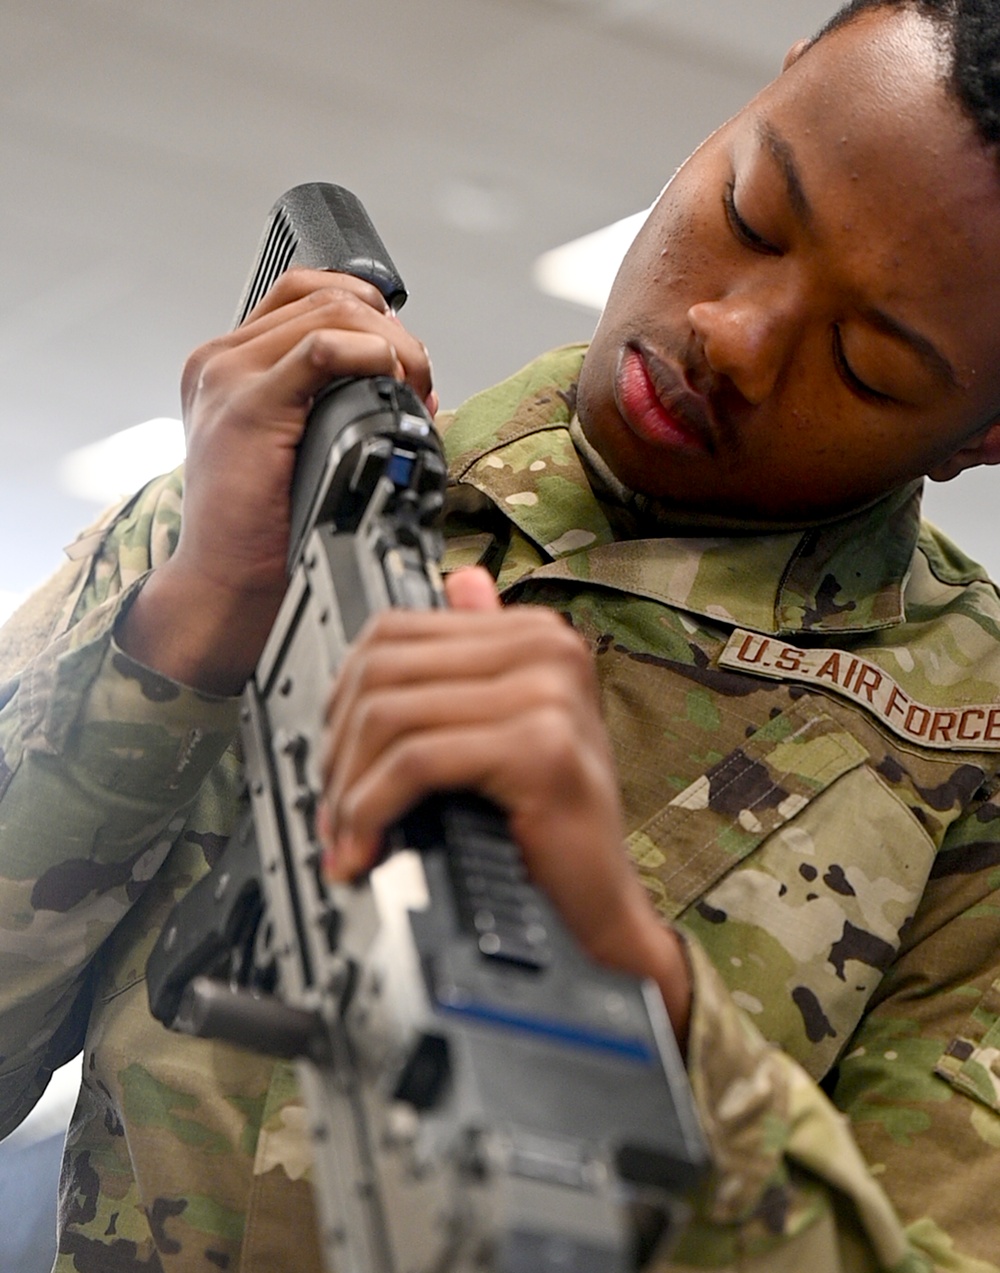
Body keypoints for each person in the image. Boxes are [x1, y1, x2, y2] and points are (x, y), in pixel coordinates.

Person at [4, 0, 1000, 1268]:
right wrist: (184, 632)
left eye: (868, 361)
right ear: (750, 102)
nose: (733, 338)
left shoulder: (968, 772)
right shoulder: (273, 505)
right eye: (751, 213)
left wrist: (632, 1002)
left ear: (986, 432)